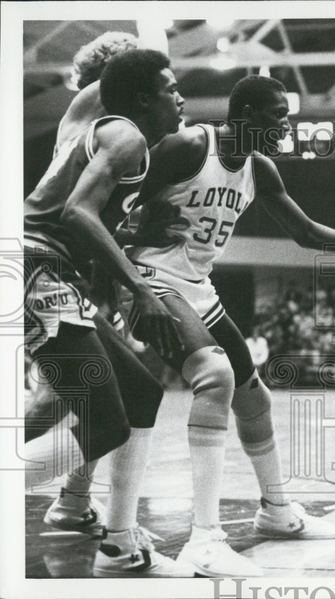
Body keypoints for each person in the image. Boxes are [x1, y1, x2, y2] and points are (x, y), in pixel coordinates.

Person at [124, 75, 335, 577]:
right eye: (278, 115)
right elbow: (111, 195)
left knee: (255, 398)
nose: (285, 125)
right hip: (149, 279)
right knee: (217, 377)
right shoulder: (191, 146)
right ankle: (204, 540)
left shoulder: (260, 167)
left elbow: (304, 232)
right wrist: (127, 235)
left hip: (197, 286)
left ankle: (276, 511)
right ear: (247, 114)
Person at [24, 49, 191, 576]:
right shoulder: (129, 136)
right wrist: (139, 287)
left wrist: (139, 234)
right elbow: (75, 213)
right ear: (143, 98)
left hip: (48, 268)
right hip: (33, 266)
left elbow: (75, 211)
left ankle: (118, 544)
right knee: (102, 424)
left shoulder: (93, 129)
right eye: (170, 87)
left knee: (142, 392)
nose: (182, 96)